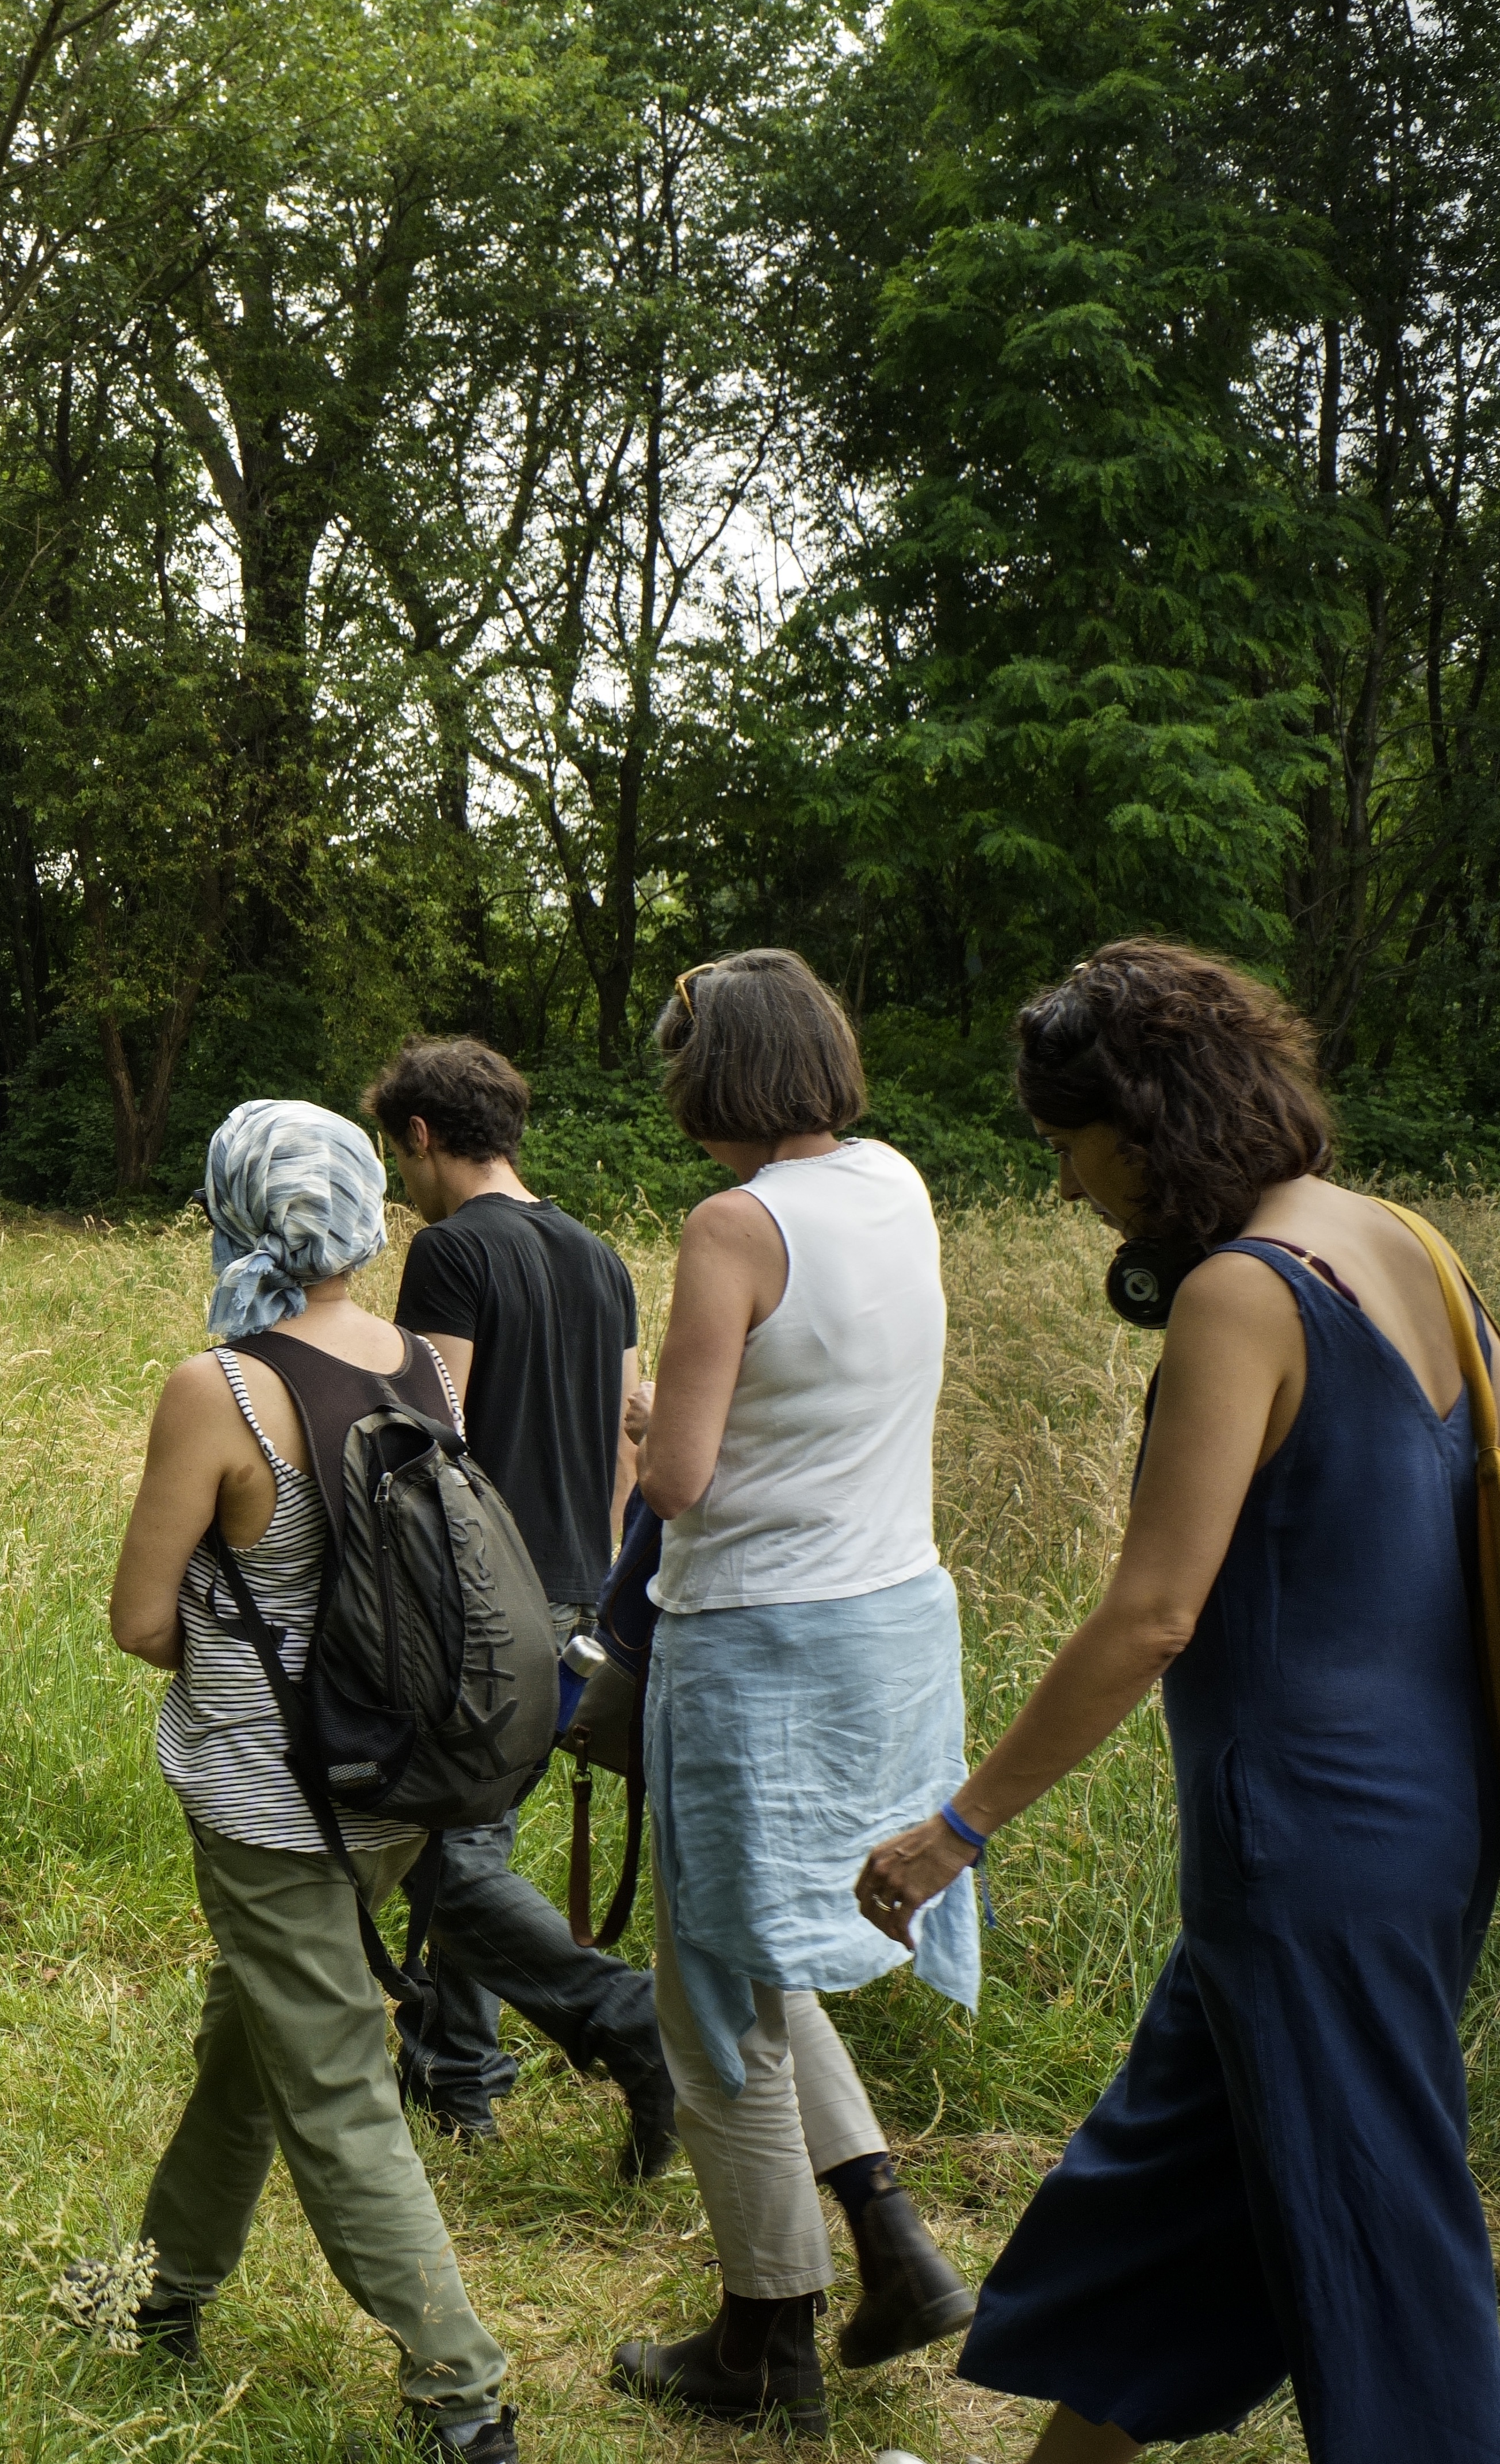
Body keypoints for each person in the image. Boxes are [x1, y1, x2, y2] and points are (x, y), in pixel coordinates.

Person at [859, 942, 1500, 2464]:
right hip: (1431, 1821)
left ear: (1144, 1122)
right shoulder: (1402, 1240)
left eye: (1072, 1147)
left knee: (1377, 2240)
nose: (1074, 1187)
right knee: (1180, 2189)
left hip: (1305, 1842)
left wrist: (959, 1825)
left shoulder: (1243, 1293)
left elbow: (1154, 1614)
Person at [55, 1099, 518, 2464]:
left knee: (328, 2083)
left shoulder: (224, 1387)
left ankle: (463, 2387)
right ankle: (156, 2291)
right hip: (398, 1785)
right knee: (251, 2043)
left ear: (236, 1211)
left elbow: (142, 1621)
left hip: (273, 1803)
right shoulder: (421, 1366)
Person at [613, 951, 977, 2435]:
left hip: (760, 1634)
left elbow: (681, 1478)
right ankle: (892, 2244)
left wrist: (631, 1406)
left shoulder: (732, 1223)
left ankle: (767, 2338)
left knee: (709, 1996)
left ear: (714, 1076)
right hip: (894, 1617)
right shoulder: (896, 1183)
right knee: (767, 1949)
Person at [363, 1039, 676, 2175]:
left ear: (423, 1137)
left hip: (479, 1602)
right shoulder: (602, 1256)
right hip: (579, 1593)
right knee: (470, 1832)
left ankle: (625, 2021)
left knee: (447, 1855)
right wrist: (604, 1585)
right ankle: (463, 2080)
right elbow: (633, 1437)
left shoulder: (448, 1251)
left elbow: (433, 1438)